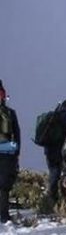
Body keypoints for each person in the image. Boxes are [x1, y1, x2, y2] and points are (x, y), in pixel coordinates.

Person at [44, 99, 66, 204]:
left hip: (49, 149)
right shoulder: (65, 115)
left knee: (53, 173)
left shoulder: (54, 115)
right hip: (58, 149)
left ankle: (52, 197)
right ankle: (53, 199)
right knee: (59, 173)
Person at [0, 81, 21, 223]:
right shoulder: (10, 113)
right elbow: (17, 133)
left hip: (7, 151)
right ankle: (3, 215)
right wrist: (16, 152)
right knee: (4, 186)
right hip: (7, 150)